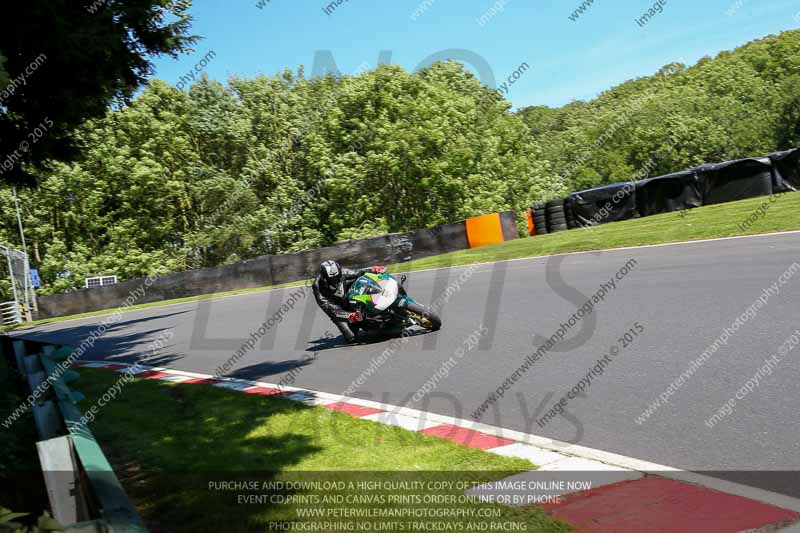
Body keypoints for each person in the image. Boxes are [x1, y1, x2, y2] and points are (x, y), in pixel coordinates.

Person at [312, 260, 386, 343]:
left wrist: (373, 269)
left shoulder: (342, 272)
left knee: (361, 283)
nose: (335, 280)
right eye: (332, 279)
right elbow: (330, 308)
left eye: (337, 277)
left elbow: (358, 272)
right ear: (324, 278)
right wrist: (349, 315)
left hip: (347, 298)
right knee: (351, 338)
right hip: (336, 309)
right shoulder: (317, 286)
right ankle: (358, 323)